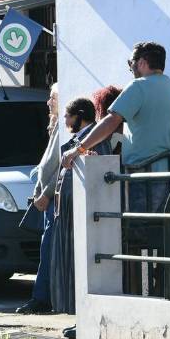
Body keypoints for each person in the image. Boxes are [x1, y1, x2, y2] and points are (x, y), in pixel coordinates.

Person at [62, 41, 170, 212]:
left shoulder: (139, 86)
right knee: (162, 232)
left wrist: (78, 149)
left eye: (131, 62)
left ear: (142, 62)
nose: (130, 68)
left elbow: (111, 120)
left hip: (146, 175)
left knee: (138, 232)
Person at [50, 95, 114, 315]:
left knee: (79, 266)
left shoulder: (95, 140)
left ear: (80, 116)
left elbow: (101, 174)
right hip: (68, 210)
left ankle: (81, 317)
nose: (66, 121)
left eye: (68, 116)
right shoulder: (76, 141)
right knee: (68, 264)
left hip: (82, 212)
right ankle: (74, 315)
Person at [19, 84, 63, 315]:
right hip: (48, 196)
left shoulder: (62, 127)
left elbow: (59, 163)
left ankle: (43, 297)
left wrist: (46, 192)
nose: (49, 102)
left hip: (53, 198)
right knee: (46, 247)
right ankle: (42, 296)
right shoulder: (55, 126)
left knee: (49, 249)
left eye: (52, 97)